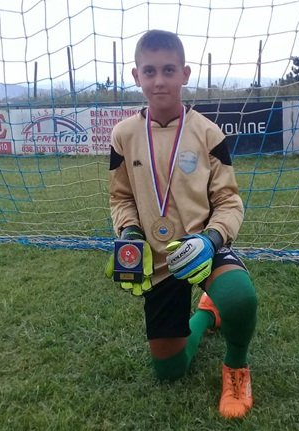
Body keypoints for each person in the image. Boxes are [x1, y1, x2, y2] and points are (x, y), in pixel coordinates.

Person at [105, 29, 258, 419]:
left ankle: (236, 368)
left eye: (168, 70)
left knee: (240, 296)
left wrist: (211, 239)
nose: (159, 80)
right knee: (169, 371)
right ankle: (207, 312)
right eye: (150, 71)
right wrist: (130, 233)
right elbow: (121, 198)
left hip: (204, 246)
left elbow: (229, 201)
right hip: (157, 257)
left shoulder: (208, 132)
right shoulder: (123, 135)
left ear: (185, 73)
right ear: (136, 75)